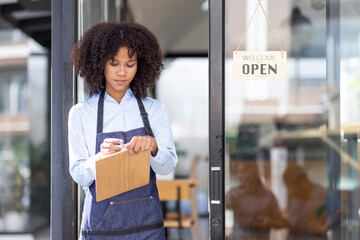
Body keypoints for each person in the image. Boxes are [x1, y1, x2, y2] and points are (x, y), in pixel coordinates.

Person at [68, 22, 178, 239]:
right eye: (114, 63)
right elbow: (79, 175)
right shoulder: (81, 113)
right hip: (101, 229)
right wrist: (99, 158)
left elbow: (167, 167)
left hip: (147, 229)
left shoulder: (155, 110)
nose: (122, 72)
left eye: (130, 64)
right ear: (99, 63)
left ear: (140, 66)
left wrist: (154, 147)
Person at [225, 161, 289, 240]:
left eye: (244, 171)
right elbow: (220, 209)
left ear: (254, 171)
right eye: (238, 172)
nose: (241, 175)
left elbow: (281, 223)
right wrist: (232, 199)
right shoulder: (234, 193)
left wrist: (269, 221)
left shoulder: (268, 196)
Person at [283, 163, 326, 239]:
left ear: (303, 181)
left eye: (292, 187)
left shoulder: (322, 194)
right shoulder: (293, 196)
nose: (291, 191)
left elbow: (340, 214)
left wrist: (323, 227)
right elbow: (290, 217)